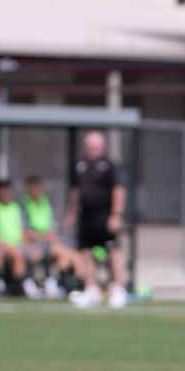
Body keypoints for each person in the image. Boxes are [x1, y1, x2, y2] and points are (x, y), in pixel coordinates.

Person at [65, 131, 127, 309]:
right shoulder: (80, 165)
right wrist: (71, 213)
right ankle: (91, 289)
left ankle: (118, 289)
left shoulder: (109, 165)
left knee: (113, 250)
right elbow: (75, 191)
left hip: (105, 216)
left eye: (96, 146)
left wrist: (116, 215)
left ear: (102, 147)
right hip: (86, 216)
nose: (92, 149)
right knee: (85, 252)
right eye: (90, 146)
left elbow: (118, 191)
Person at [20, 175, 74, 298]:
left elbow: (52, 228)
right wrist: (41, 236)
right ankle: (31, 284)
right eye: (33, 187)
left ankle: (52, 282)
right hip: (31, 242)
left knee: (64, 255)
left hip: (46, 242)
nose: (36, 190)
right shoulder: (23, 205)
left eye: (38, 187)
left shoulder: (45, 203)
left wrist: (50, 237)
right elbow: (25, 231)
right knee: (35, 253)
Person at [0, 179, 28, 297]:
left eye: (7, 190)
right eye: (2, 190)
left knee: (23, 251)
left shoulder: (16, 208)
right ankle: (14, 286)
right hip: (0, 244)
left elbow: (23, 230)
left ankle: (19, 285)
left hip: (17, 244)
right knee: (16, 254)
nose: (5, 193)